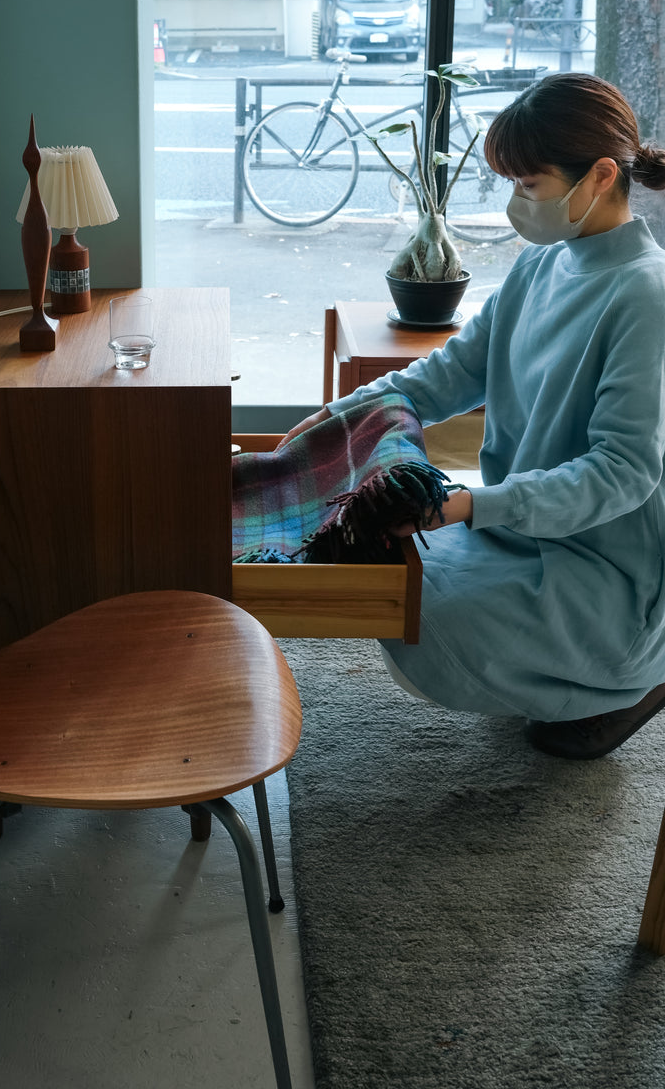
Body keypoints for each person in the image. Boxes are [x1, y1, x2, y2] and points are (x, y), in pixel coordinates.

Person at [278, 73, 665, 759]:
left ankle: (628, 681)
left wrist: (466, 505)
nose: (517, 203)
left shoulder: (645, 296)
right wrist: (333, 421)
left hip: (604, 568)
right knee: (385, 571)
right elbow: (449, 376)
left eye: (528, 185)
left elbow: (622, 473)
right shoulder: (542, 266)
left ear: (601, 176)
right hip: (523, 531)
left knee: (428, 610)